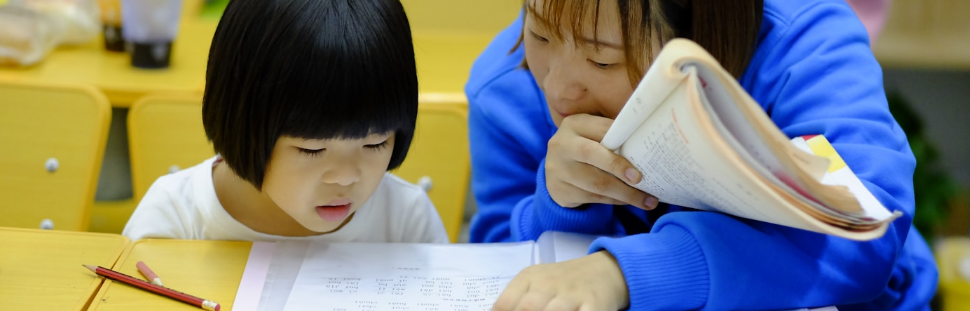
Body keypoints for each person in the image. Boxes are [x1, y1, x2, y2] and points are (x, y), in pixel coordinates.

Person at [465, 0, 937, 310]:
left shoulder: (803, 43)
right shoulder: (504, 88)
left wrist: (627, 271)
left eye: (602, 59)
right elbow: (495, 268)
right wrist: (562, 207)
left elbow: (863, 228)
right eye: (540, 34)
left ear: (699, 36)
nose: (556, 86)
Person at [122, 0, 448, 244]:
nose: (346, 177)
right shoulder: (175, 220)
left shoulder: (407, 220)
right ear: (242, 120)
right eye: (312, 149)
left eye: (376, 143)